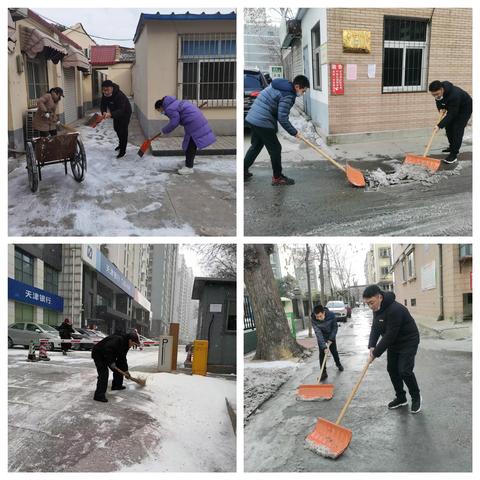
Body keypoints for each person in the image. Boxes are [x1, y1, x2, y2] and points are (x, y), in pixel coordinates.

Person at [363, 285, 422, 414]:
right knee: (392, 369)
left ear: (380, 297)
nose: (370, 306)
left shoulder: (395, 309)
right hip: (394, 344)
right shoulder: (377, 309)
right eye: (367, 304)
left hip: (408, 341)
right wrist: (372, 346)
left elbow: (390, 335)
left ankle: (416, 397)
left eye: (371, 302)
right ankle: (401, 398)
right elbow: (375, 328)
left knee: (404, 371)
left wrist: (375, 354)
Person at [244, 75, 310, 185]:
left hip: (253, 117)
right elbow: (282, 118)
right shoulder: (288, 94)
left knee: (256, 146)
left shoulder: (281, 85)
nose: (302, 94)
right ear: (297, 86)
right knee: (275, 148)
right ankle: (277, 177)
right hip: (262, 120)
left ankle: (243, 170)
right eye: (303, 91)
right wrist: (295, 132)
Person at [154, 97, 216, 175]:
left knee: (190, 145)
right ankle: (188, 162)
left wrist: (164, 131)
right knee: (189, 144)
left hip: (193, 123)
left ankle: (189, 167)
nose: (160, 112)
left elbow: (174, 122)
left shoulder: (169, 109)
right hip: (196, 120)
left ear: (161, 107)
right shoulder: (174, 103)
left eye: (159, 110)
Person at [428, 80, 472, 164]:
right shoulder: (438, 95)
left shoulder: (454, 95)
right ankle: (452, 146)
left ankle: (453, 154)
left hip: (464, 109)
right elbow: (439, 103)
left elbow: (452, 114)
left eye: (437, 94)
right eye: (433, 95)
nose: (436, 96)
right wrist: (441, 109)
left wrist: (439, 125)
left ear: (442, 89)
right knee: (448, 128)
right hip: (453, 108)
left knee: (457, 130)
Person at [91, 330, 141, 402]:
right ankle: (99, 395)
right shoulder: (118, 339)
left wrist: (125, 370)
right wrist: (111, 362)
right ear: (130, 340)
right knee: (104, 373)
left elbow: (122, 358)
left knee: (119, 368)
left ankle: (117, 385)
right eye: (133, 343)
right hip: (99, 354)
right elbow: (108, 349)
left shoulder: (126, 345)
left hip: (108, 355)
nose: (133, 345)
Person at [100, 80, 132, 158]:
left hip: (125, 113)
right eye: (104, 90)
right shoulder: (105, 94)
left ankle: (122, 150)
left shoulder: (119, 95)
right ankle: (120, 144)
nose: (105, 92)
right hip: (115, 113)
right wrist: (104, 112)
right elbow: (102, 104)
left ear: (112, 88)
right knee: (117, 128)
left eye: (107, 90)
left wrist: (111, 114)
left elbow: (121, 109)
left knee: (123, 131)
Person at [311, 304, 344, 381]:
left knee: (334, 351)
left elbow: (335, 327)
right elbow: (318, 333)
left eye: (320, 316)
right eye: (317, 316)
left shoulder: (331, 315)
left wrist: (331, 339)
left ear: (324, 313)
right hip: (322, 336)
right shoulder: (313, 319)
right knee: (322, 354)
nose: (318, 318)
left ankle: (338, 364)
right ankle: (323, 373)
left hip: (330, 335)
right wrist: (324, 347)